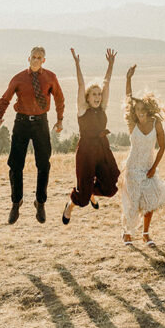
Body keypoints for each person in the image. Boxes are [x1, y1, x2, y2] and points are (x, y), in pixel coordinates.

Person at [0, 46, 65, 224]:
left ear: (44, 60)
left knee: (43, 164)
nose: (35, 60)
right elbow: (5, 99)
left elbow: (59, 98)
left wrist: (60, 120)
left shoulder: (51, 78)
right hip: (22, 123)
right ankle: (16, 203)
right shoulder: (18, 78)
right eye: (33, 57)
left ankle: (40, 202)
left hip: (41, 123)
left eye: (39, 57)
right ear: (28, 58)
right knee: (15, 165)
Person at [61, 48, 120, 225]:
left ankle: (91, 192)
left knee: (110, 188)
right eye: (94, 94)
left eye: (99, 94)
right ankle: (71, 204)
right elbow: (80, 85)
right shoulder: (82, 110)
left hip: (102, 148)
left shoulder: (102, 108)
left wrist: (110, 65)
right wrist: (77, 65)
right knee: (84, 199)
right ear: (87, 97)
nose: (98, 96)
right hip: (86, 150)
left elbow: (107, 83)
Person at [118, 63, 165, 247]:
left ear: (147, 110)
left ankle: (146, 234)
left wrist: (154, 168)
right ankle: (127, 232)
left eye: (142, 110)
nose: (139, 113)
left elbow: (162, 147)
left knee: (150, 201)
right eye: (136, 111)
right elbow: (128, 100)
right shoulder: (133, 124)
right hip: (132, 167)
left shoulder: (156, 124)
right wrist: (128, 79)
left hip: (148, 167)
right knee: (132, 202)